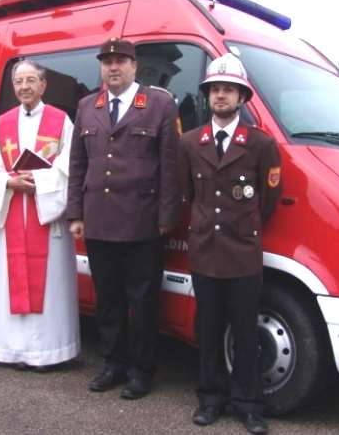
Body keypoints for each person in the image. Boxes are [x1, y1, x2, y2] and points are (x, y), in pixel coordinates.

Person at [67, 37, 180, 399]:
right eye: (106, 62)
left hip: (142, 221)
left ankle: (141, 370)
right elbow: (77, 164)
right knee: (108, 300)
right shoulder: (87, 106)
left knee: (143, 301)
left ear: (134, 66)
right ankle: (113, 364)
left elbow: (170, 166)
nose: (113, 67)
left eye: (120, 61)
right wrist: (75, 213)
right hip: (98, 221)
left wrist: (166, 216)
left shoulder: (159, 103)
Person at [177, 53, 282, 434]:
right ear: (207, 96)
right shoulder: (190, 143)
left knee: (244, 331)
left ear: (241, 97)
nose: (220, 96)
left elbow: (267, 202)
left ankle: (249, 404)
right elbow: (187, 194)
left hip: (242, 255)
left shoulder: (260, 145)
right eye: (214, 90)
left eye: (228, 90)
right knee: (207, 330)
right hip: (205, 253)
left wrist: (241, 228)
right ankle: (210, 399)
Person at [0, 59, 79, 370]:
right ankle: (11, 351)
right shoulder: (2, 123)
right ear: (13, 86)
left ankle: (50, 352)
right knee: (11, 286)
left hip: (48, 222)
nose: (25, 87)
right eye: (19, 81)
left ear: (43, 85)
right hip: (12, 216)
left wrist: (41, 181)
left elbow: (71, 168)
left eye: (31, 80)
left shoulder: (61, 121)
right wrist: (8, 181)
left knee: (50, 289)